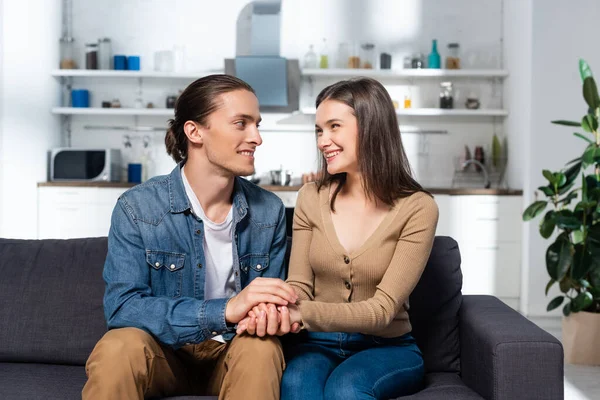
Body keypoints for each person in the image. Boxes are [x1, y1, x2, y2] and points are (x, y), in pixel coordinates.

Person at [82, 74, 299, 400]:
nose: (257, 138)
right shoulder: (138, 207)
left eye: (257, 124)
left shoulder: (268, 211)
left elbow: (271, 302)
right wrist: (225, 310)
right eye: (241, 123)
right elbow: (123, 309)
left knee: (263, 349)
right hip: (163, 354)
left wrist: (273, 316)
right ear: (194, 131)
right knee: (118, 347)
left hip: (233, 354)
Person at [237, 77, 439, 400]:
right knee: (296, 385)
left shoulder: (418, 208)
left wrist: (303, 314)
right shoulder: (310, 198)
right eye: (319, 130)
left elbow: (382, 310)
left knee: (345, 389)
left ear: (372, 127)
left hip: (387, 347)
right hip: (317, 344)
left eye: (334, 126)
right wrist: (272, 310)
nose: (322, 141)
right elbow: (300, 286)